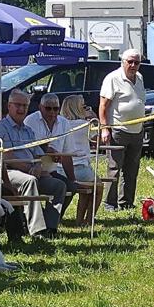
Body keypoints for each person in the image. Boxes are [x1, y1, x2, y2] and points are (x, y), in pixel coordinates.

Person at [0, 89, 67, 238]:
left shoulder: (28, 131)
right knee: (29, 181)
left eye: (25, 106)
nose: (21, 109)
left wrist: (37, 166)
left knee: (59, 185)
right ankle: (37, 230)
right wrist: (29, 169)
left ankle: (51, 228)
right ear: (9, 106)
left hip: (30, 171)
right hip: (5, 173)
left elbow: (38, 154)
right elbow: (5, 156)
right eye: (18, 105)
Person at [99, 48, 146, 211]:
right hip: (118, 129)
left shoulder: (139, 78)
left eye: (137, 62)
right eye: (130, 62)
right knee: (114, 168)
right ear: (123, 62)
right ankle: (109, 203)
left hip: (137, 130)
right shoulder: (113, 78)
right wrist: (105, 128)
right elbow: (103, 106)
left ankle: (126, 202)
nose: (133, 65)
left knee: (132, 169)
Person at [60, 95, 102, 225]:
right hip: (80, 167)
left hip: (61, 169)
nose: (86, 109)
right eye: (84, 107)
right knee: (99, 187)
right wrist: (93, 118)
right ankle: (89, 219)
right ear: (78, 109)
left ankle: (79, 220)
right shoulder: (85, 125)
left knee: (86, 190)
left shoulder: (60, 124)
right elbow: (99, 140)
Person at [25, 93, 77, 186]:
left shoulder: (64, 123)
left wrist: (72, 180)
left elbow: (67, 155)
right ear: (40, 107)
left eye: (56, 109)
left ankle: (58, 201)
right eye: (48, 108)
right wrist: (50, 151)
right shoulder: (30, 121)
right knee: (59, 187)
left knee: (72, 187)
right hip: (32, 170)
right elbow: (30, 147)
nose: (52, 112)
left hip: (52, 171)